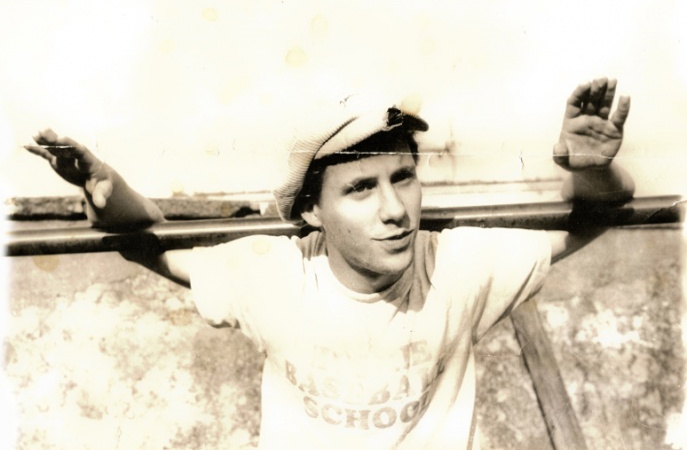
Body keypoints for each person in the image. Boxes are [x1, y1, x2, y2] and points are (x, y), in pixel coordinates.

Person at [26, 77, 634, 449]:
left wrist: (592, 169)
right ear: (312, 211)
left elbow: (592, 218)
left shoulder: (456, 263)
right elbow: (145, 240)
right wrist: (105, 188)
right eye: (361, 188)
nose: (395, 210)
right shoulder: (272, 275)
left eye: (403, 177)